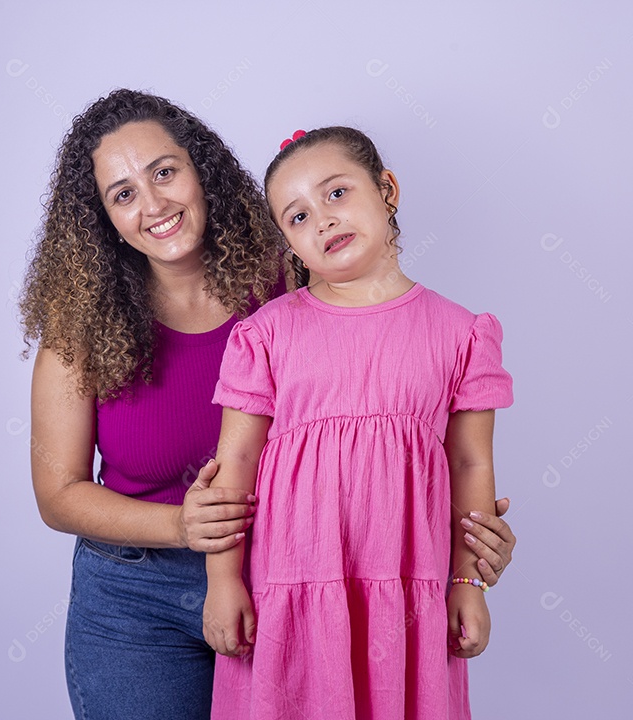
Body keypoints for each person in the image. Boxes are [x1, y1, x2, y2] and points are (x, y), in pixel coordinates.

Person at [20, 91, 517, 720]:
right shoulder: (81, 331)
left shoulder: (297, 278)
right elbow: (57, 493)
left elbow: (394, 392)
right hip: (134, 593)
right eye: (122, 194)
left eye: (165, 173)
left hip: (288, 576)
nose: (153, 205)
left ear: (203, 171)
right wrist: (183, 527)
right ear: (102, 220)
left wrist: (460, 545)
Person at [203, 126, 514, 719]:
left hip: (407, 585)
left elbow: (471, 463)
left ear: (387, 188)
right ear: (289, 244)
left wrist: (467, 583)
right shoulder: (266, 335)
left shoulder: (461, 333)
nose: (321, 220)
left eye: (336, 194)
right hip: (290, 583)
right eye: (296, 217)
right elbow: (234, 465)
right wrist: (223, 582)